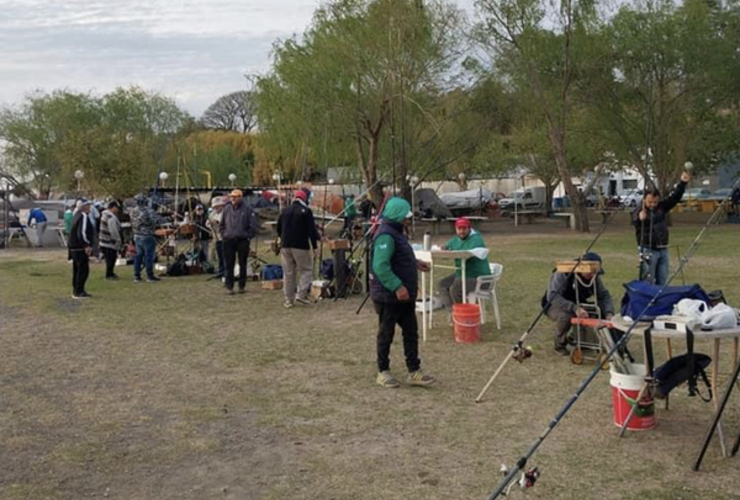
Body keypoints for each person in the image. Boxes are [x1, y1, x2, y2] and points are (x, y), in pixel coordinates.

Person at [370, 197, 435, 388]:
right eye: (405, 215)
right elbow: (380, 266)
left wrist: (415, 263)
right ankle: (383, 371)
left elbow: (398, 255)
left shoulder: (397, 233)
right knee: (386, 334)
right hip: (388, 296)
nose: (408, 218)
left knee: (411, 333)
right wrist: (397, 286)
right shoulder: (385, 235)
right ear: (397, 215)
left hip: (405, 296)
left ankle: (414, 370)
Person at [542, 252, 614, 355]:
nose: (593, 275)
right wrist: (575, 308)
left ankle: (588, 341)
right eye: (590, 272)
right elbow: (553, 296)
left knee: (596, 311)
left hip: (578, 303)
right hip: (555, 304)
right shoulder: (563, 273)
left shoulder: (594, 277)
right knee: (565, 316)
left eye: (595, 272)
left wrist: (608, 312)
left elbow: (604, 295)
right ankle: (560, 345)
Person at [632, 171, 690, 285]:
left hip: (663, 249)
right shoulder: (639, 210)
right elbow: (635, 221)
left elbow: (674, 198)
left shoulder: (661, 207)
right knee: (647, 280)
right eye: (650, 202)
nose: (653, 204)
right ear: (644, 199)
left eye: (655, 202)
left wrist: (682, 183)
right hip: (648, 250)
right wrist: (639, 218)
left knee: (663, 279)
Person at [437, 217, 490, 319]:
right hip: (462, 272)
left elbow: (466, 255)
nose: (461, 231)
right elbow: (446, 247)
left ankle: (463, 316)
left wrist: (450, 252)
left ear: (469, 228)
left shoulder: (476, 239)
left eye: (464, 228)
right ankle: (452, 312)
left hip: (478, 276)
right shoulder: (456, 239)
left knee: (455, 288)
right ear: (456, 229)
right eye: (459, 228)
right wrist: (443, 249)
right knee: (442, 284)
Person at [276, 190, 320, 308]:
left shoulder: (284, 211)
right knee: (306, 270)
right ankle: (301, 294)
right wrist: (315, 246)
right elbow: (312, 231)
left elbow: (278, 228)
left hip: (285, 245)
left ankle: (288, 300)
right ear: (304, 199)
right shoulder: (306, 211)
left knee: (288, 273)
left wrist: (282, 239)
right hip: (300, 245)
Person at [220, 189, 259, 295]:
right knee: (229, 264)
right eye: (232, 196)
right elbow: (222, 225)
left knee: (243, 264)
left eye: (236, 196)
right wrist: (224, 235)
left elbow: (254, 226)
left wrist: (247, 236)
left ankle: (242, 285)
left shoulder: (248, 209)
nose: (233, 198)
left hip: (242, 240)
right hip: (228, 240)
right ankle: (229, 286)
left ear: (241, 197)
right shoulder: (226, 209)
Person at [68, 200, 94, 298]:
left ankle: (76, 290)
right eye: (88, 205)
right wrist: (86, 245)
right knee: (83, 269)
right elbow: (82, 232)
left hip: (74, 247)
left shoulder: (76, 215)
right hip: (79, 247)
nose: (89, 207)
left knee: (77, 269)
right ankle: (79, 291)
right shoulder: (83, 216)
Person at [131, 194, 160, 283]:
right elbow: (155, 221)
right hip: (147, 236)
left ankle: (137, 276)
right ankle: (149, 276)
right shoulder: (148, 211)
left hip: (137, 236)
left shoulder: (133, 211)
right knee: (149, 256)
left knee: (138, 256)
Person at [99, 201, 123, 280]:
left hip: (103, 241)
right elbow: (113, 230)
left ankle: (111, 273)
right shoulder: (110, 217)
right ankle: (109, 274)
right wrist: (118, 240)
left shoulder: (104, 215)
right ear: (113, 207)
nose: (118, 210)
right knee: (111, 259)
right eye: (117, 208)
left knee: (110, 258)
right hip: (109, 242)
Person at [208, 197, 225, 277]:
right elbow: (207, 223)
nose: (216, 208)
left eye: (218, 206)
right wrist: (211, 224)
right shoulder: (212, 214)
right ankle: (221, 269)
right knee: (219, 254)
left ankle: (225, 270)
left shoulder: (225, 213)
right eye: (215, 207)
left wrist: (217, 222)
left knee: (224, 254)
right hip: (216, 236)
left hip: (224, 236)